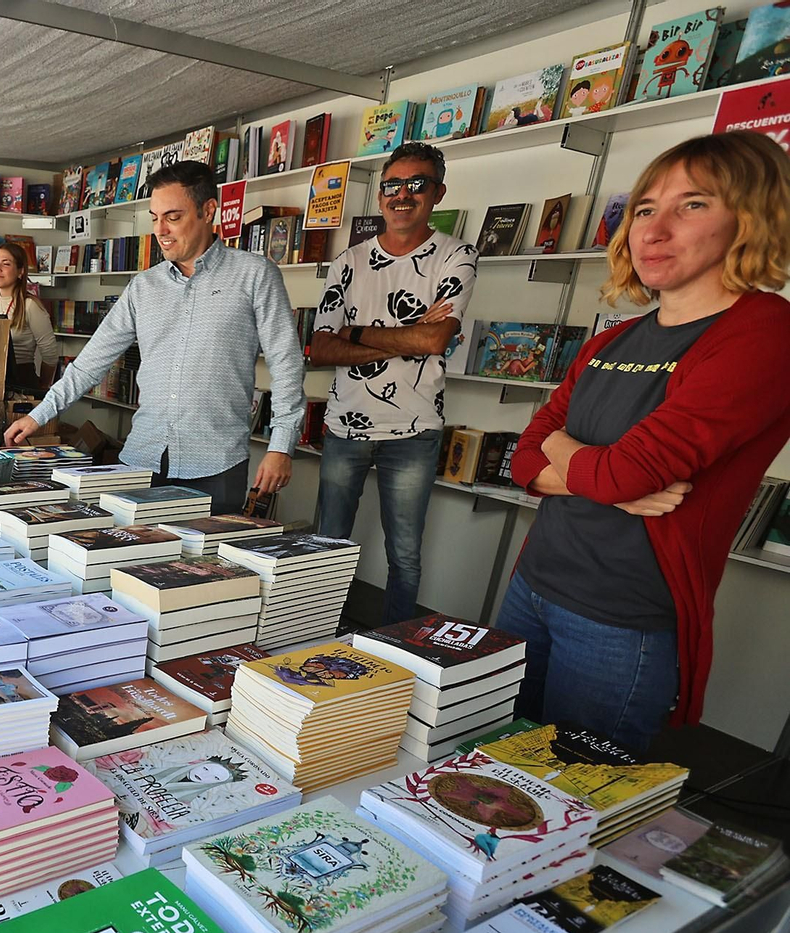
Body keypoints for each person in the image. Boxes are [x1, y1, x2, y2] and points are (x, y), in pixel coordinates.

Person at [500, 131, 790, 752]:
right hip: (534, 584)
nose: (654, 230)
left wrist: (590, 467)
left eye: (693, 205)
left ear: (752, 217)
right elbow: (525, 454)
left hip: (621, 618)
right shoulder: (616, 338)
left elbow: (615, 472)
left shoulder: (764, 333)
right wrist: (601, 477)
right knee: (488, 758)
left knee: (574, 802)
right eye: (644, 209)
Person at [4, 161, 305, 513]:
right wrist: (39, 415)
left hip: (215, 464)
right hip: (141, 461)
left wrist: (281, 446)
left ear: (208, 211)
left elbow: (286, 363)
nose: (160, 230)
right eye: (154, 217)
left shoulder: (255, 276)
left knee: (208, 568)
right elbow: (90, 363)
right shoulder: (143, 287)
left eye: (173, 217)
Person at [309, 142, 479, 624]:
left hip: (415, 429)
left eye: (416, 184)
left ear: (438, 193)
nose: (402, 195)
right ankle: (319, 633)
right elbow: (320, 349)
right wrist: (408, 337)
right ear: (381, 194)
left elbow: (434, 340)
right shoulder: (349, 261)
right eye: (392, 185)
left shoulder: (456, 256)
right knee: (327, 545)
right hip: (345, 425)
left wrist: (358, 332)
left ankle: (398, 649)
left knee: (404, 555)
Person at [0, 242, 59, 392]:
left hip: (21, 381)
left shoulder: (30, 305)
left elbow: (50, 354)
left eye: (5, 264)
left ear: (20, 272)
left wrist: (43, 387)